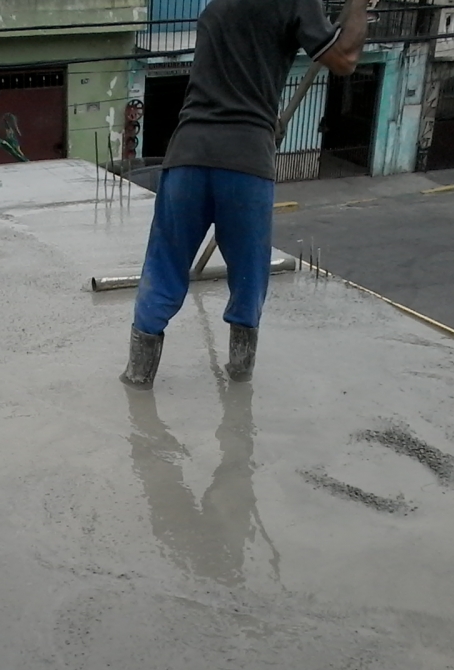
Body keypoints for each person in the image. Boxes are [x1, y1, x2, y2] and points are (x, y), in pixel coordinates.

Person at [120, 0, 370, 389]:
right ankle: (239, 381)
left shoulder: (217, 7)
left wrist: (266, 118)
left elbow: (232, 76)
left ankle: (138, 374)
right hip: (246, 161)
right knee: (249, 275)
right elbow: (343, 58)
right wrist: (357, 6)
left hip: (187, 153)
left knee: (164, 266)